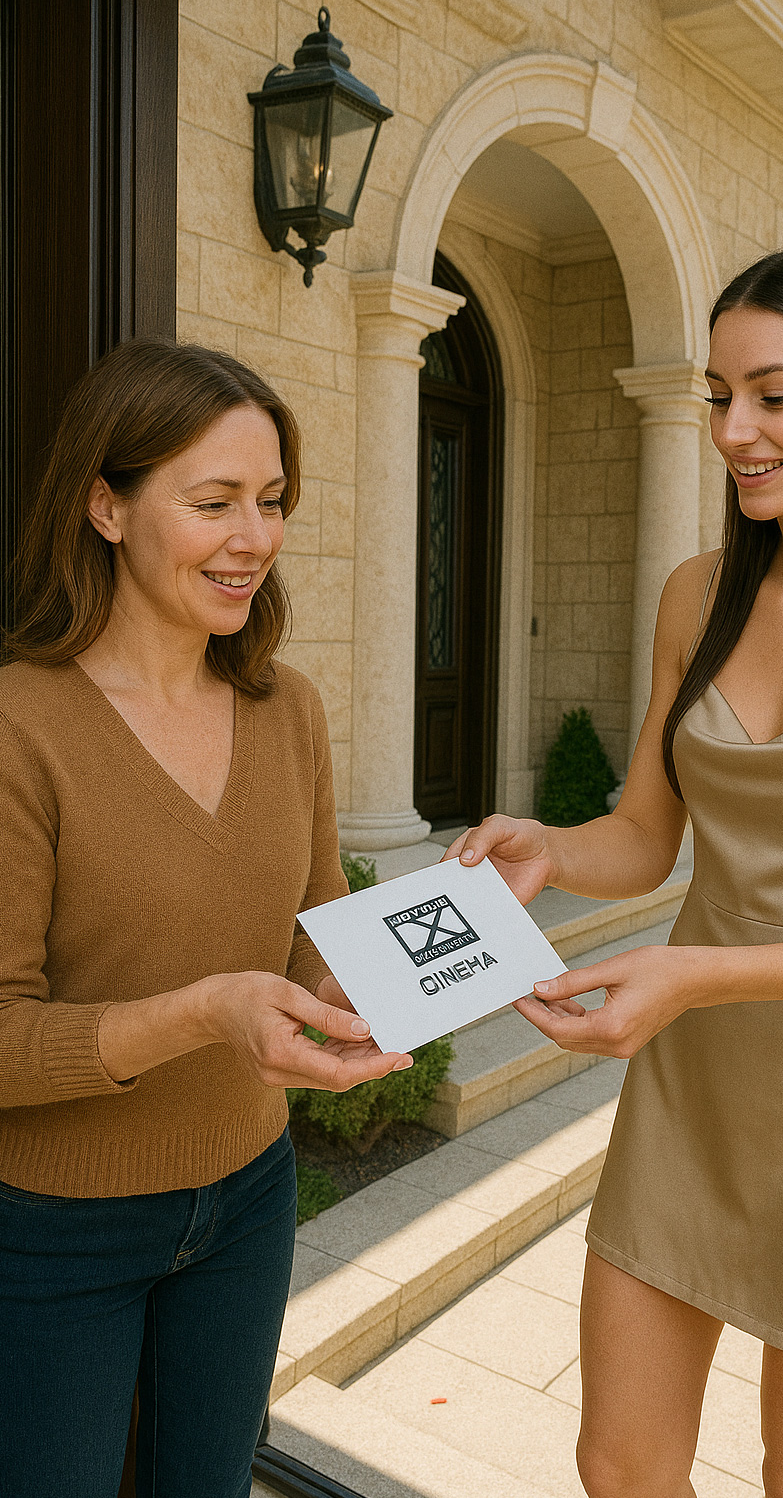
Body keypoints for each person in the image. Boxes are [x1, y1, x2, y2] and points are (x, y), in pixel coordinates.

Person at [449, 239, 783, 1498]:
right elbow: (647, 836)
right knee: (617, 1463)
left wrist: (691, 974)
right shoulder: (697, 594)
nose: (733, 430)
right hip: (692, 1089)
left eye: (772, 393)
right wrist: (548, 846)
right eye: (717, 395)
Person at [0, 339, 411, 1498]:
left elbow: (314, 923)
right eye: (214, 501)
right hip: (53, 1225)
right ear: (107, 507)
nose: (254, 537)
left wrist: (373, 981)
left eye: (271, 500)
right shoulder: (22, 725)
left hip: (249, 1195)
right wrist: (204, 1013)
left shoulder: (289, 708)